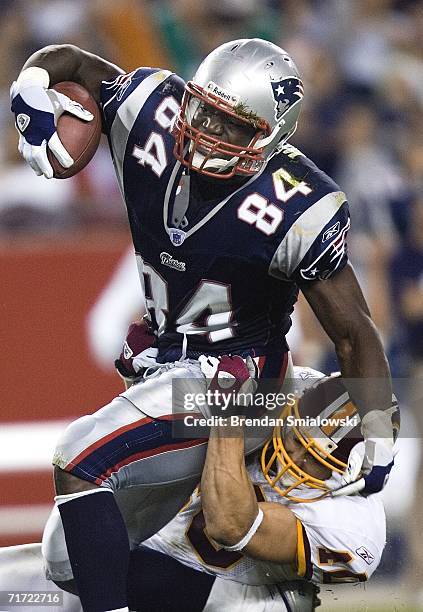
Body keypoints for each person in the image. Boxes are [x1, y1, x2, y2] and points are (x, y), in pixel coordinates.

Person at [11, 39, 395, 612]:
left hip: (237, 384)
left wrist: (382, 439)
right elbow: (74, 62)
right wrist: (31, 86)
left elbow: (354, 330)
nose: (206, 127)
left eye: (230, 123)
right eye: (204, 107)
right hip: (165, 368)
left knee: (79, 455)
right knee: (68, 560)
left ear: (270, 137)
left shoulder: (297, 205)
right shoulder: (153, 116)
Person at [0, 369, 398, 612]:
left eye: (311, 457)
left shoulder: (354, 531)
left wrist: (230, 420)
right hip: (152, 551)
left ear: (354, 476)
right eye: (293, 434)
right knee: (28, 579)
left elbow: (231, 525)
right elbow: (173, 414)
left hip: (229, 593)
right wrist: (149, 372)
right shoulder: (290, 388)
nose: (287, 452)